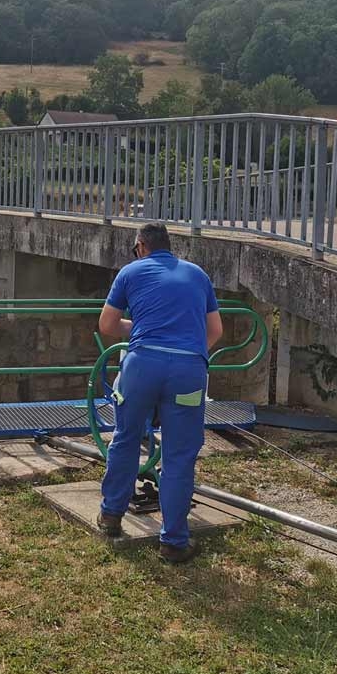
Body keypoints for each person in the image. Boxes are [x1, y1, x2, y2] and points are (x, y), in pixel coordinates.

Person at [96, 222, 224, 563]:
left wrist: (138, 329)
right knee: (180, 455)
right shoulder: (197, 274)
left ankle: (111, 516)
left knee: (125, 438)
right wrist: (190, 353)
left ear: (140, 245)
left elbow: (107, 325)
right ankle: (174, 542)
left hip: (142, 366)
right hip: (188, 370)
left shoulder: (130, 272)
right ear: (170, 246)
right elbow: (215, 330)